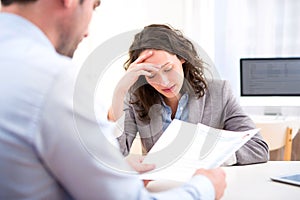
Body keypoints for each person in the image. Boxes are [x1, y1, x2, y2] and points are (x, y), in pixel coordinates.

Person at [0, 0, 227, 199]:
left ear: (182, 60)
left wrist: (109, 169)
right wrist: (205, 187)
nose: (87, 32)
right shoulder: (54, 81)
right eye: (93, 6)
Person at [108, 24, 269, 165]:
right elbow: (112, 153)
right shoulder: (135, 98)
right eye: (151, 75)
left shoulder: (219, 92)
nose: (164, 82)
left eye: (168, 69)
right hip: (160, 189)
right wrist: (120, 92)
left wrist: (209, 157)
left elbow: (258, 148)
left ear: (182, 58)